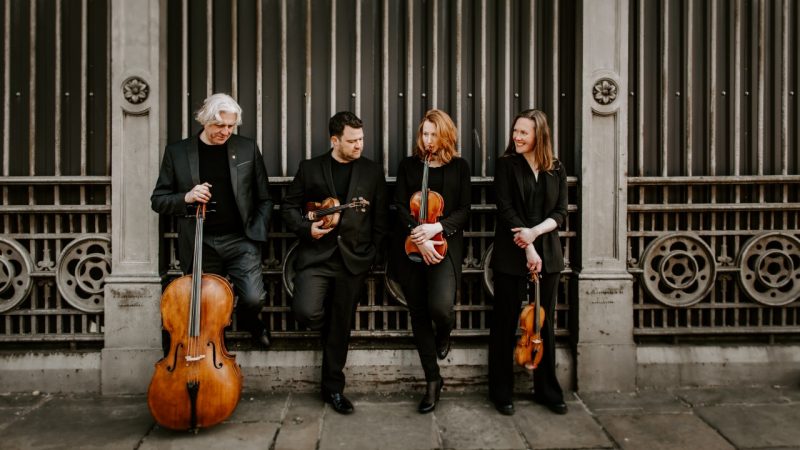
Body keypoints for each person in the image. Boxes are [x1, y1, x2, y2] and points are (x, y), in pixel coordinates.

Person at [282, 111, 388, 415]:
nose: (359, 145)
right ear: (334, 140)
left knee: (341, 329)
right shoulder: (310, 168)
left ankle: (333, 391)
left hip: (353, 261)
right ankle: (328, 327)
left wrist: (371, 256)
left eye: (361, 139)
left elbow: (380, 219)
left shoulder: (372, 172)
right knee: (305, 311)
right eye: (352, 141)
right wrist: (306, 229)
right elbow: (289, 208)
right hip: (317, 257)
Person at [151, 93, 273, 349]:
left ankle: (253, 322)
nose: (226, 131)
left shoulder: (247, 147)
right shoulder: (177, 152)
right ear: (205, 121)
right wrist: (186, 196)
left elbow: (264, 197)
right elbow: (158, 200)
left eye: (231, 126)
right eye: (220, 125)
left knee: (253, 298)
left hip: (241, 240)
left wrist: (256, 235)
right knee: (206, 306)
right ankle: (216, 353)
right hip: (199, 242)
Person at [488, 109, 568, 416]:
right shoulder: (506, 165)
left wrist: (534, 234)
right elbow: (506, 209)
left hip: (547, 253)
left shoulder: (555, 168)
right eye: (516, 131)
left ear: (540, 136)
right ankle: (500, 392)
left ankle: (548, 390)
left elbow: (560, 212)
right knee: (505, 322)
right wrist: (527, 246)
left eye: (524, 132)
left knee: (542, 323)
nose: (517, 137)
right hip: (513, 253)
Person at [391, 109, 471, 413]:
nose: (427, 140)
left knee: (440, 308)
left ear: (445, 135)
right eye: (424, 134)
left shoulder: (459, 168)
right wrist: (417, 234)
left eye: (433, 134)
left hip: (444, 247)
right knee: (418, 313)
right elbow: (398, 206)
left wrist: (438, 227)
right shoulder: (409, 166)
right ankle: (432, 380)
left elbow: (464, 210)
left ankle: (445, 330)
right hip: (413, 247)